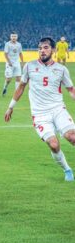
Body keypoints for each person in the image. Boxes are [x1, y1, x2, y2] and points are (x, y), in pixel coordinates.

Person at [5, 37, 75, 182]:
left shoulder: (61, 69)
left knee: (72, 137)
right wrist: (10, 107)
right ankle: (67, 170)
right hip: (40, 114)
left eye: (45, 48)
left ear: (53, 50)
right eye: (40, 48)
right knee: (54, 144)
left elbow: (71, 90)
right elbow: (21, 87)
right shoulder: (29, 66)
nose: (42, 51)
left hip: (58, 109)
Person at [2, 32, 24, 96]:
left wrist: (22, 62)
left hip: (17, 63)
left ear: (17, 37)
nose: (13, 37)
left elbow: (20, 53)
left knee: (18, 78)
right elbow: (5, 54)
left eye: (15, 36)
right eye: (12, 36)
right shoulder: (7, 44)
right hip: (10, 63)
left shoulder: (19, 44)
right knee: (9, 79)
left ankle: (16, 93)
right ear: (10, 37)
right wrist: (9, 62)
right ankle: (5, 87)